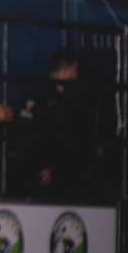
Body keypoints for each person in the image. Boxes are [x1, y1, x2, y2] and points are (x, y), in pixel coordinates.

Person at [24, 50, 93, 199]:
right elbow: (28, 127)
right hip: (45, 174)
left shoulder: (74, 96)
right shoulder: (36, 94)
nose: (77, 75)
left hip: (70, 171)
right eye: (75, 70)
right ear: (65, 70)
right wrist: (42, 164)